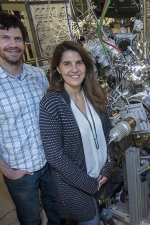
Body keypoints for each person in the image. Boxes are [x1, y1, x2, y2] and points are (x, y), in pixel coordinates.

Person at [39, 40, 115, 224]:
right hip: (76, 186)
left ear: (86, 66)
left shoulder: (94, 93)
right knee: (91, 220)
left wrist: (108, 166)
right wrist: (88, 183)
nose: (74, 69)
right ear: (57, 68)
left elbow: (109, 134)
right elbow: (55, 156)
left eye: (79, 63)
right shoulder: (51, 103)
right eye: (67, 64)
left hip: (100, 177)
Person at [0, 11, 61, 225]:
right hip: (19, 170)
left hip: (48, 161)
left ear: (24, 43)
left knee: (56, 209)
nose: (12, 44)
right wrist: (7, 171)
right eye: (4, 38)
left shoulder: (36, 75)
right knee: (30, 218)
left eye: (17, 39)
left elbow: (50, 115)